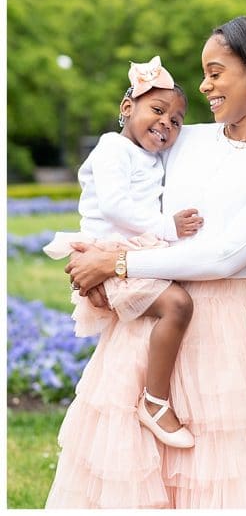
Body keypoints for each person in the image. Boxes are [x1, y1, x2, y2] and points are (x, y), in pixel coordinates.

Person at [47, 16, 246, 509]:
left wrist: (114, 265)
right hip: (147, 322)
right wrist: (93, 254)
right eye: (205, 73)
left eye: (216, 72)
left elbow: (224, 256)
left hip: (222, 332)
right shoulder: (186, 138)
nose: (204, 85)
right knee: (132, 477)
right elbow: (123, 196)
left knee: (220, 481)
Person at [43, 56, 203, 449]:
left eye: (177, 121)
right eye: (158, 110)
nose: (167, 123)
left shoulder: (149, 156)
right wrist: (168, 227)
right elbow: (114, 206)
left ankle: (149, 399)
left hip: (129, 251)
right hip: (110, 253)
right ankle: (155, 402)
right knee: (177, 305)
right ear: (127, 109)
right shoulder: (112, 148)